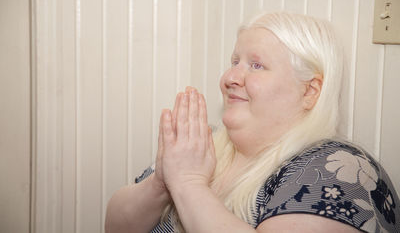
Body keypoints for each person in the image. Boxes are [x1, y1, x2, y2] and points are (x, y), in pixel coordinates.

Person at [105, 12, 399, 233]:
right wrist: (161, 183)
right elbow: (115, 227)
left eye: (256, 65)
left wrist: (188, 183)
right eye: (235, 62)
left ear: (309, 91)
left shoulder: (337, 168)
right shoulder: (208, 143)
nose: (230, 78)